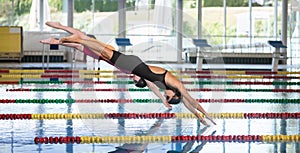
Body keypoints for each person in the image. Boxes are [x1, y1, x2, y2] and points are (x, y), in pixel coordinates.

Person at [40, 22, 216, 126]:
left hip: (130, 64)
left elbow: (156, 88)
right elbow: (191, 100)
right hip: (130, 63)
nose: (166, 97)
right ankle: (58, 40)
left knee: (88, 43)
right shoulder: (175, 84)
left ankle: (62, 30)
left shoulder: (164, 85)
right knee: (87, 42)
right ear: (174, 93)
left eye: (167, 98)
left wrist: (166, 102)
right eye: (168, 97)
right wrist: (205, 115)